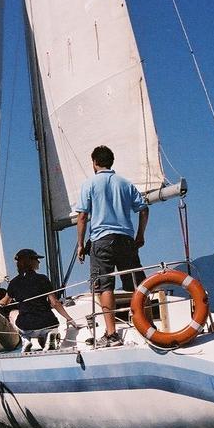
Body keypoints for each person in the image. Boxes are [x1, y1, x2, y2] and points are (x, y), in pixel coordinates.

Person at [74, 145, 149, 347]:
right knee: (136, 284)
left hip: (101, 240)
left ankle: (111, 333)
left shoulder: (89, 184)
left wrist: (80, 245)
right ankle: (146, 326)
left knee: (104, 286)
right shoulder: (125, 183)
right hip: (126, 239)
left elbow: (82, 216)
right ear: (111, 161)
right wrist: (140, 235)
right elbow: (143, 209)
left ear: (94, 163)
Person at [0, 248, 76, 353]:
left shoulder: (14, 283)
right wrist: (69, 318)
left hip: (27, 327)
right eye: (36, 259)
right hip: (47, 323)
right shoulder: (43, 279)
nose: (38, 261)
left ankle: (26, 339)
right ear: (29, 262)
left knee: (14, 314)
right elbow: (55, 303)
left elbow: (4, 302)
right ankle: (51, 334)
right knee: (49, 327)